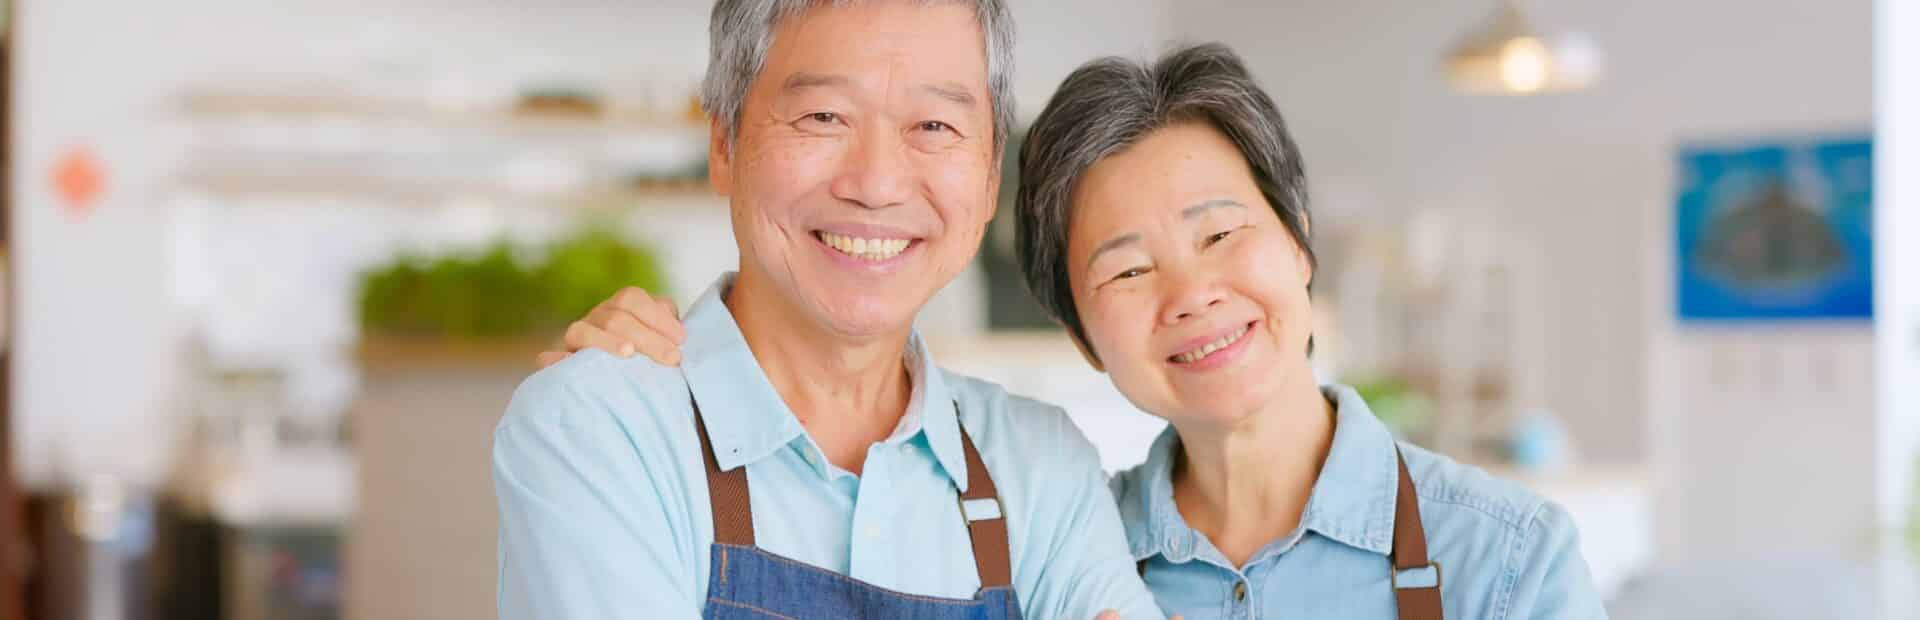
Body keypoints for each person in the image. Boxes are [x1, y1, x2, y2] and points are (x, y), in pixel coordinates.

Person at [543, 43, 1608, 619]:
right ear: (1086, 331)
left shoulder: (1503, 563)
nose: (1189, 293)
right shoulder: (1059, 536)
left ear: (1300, 243)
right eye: (1128, 268)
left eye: (1221, 234)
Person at [492, 1, 1165, 618]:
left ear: (991, 177)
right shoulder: (601, 428)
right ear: (723, 144)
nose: (875, 183)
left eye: (934, 125)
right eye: (823, 117)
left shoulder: (1043, 469)